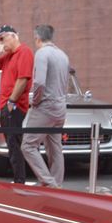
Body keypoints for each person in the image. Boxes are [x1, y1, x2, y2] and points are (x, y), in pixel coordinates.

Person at [21, 25, 70, 188]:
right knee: (55, 147)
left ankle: (49, 183)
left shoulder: (42, 53)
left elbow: (40, 82)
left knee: (28, 145)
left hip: (45, 107)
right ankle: (57, 185)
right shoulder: (63, 55)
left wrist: (35, 101)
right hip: (60, 108)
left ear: (37, 38)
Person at [0, 25, 33, 184]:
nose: (1, 43)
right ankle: (19, 179)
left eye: (2, 39)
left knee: (14, 145)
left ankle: (19, 181)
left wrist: (11, 101)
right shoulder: (8, 56)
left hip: (14, 106)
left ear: (14, 36)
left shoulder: (24, 52)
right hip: (6, 106)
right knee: (12, 145)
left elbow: (23, 79)